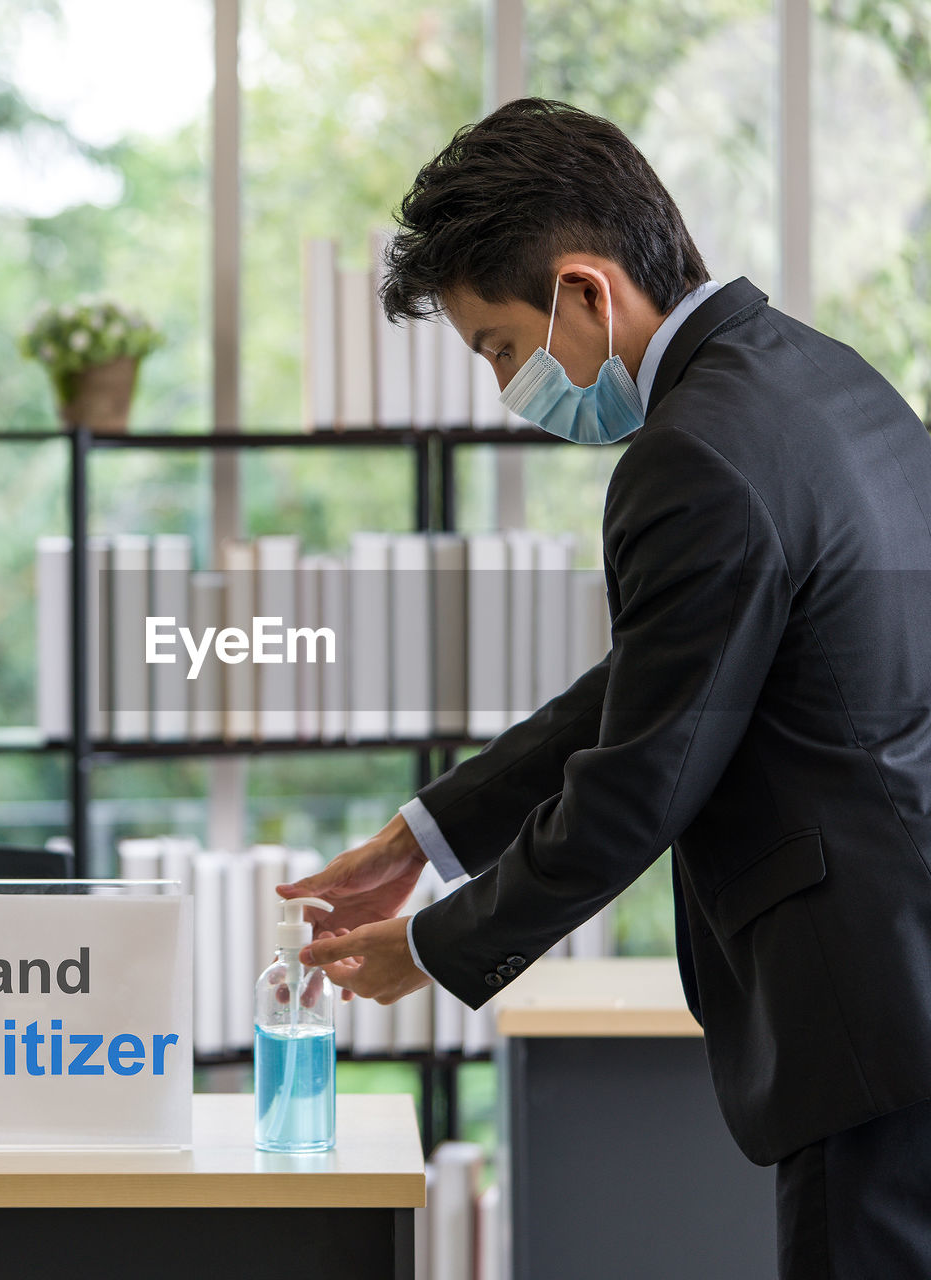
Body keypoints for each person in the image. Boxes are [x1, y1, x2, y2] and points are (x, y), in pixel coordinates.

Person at [277, 97, 931, 1278]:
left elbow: (641, 781)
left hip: (861, 1015)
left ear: (583, 290)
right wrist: (424, 832)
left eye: (498, 346)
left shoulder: (690, 455)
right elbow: (657, 680)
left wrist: (428, 946)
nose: (507, 387)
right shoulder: (823, 382)